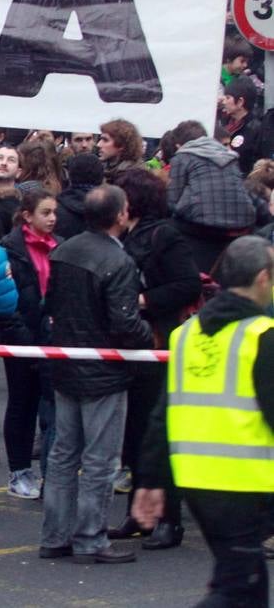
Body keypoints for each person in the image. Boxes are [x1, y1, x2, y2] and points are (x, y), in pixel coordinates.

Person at [132, 236, 274, 607]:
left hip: (195, 481)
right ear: (262, 279)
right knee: (236, 587)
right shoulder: (262, 336)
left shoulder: (187, 335)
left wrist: (150, 479)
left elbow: (162, 413)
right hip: (244, 482)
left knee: (250, 587)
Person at [38, 185, 153, 565]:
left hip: (66, 362)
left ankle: (55, 535)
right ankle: (90, 538)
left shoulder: (63, 251)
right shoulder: (118, 262)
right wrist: (147, 338)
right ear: (120, 215)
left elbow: (50, 302)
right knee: (101, 460)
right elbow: (123, 321)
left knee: (63, 454)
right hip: (104, 370)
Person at [113, 169, 201, 549]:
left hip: (159, 341)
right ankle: (140, 513)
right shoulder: (123, 236)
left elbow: (187, 285)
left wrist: (144, 300)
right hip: (131, 342)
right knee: (134, 433)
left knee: (158, 432)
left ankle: (169, 519)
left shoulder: (165, 234)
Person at [0, 188, 58, 501]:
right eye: (45, 213)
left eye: (53, 213)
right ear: (27, 216)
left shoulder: (57, 246)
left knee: (49, 405)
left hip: (50, 339)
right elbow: (6, 299)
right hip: (21, 340)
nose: (52, 219)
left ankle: (50, 472)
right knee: (22, 404)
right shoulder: (10, 248)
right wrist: (22, 336)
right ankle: (19, 470)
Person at [169, 123, 258, 274]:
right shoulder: (229, 156)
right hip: (242, 224)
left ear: (178, 145)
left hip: (201, 226)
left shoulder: (182, 156)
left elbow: (172, 199)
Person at [97, 119, 144, 185]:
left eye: (105, 140)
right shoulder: (102, 169)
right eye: (100, 139)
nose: (98, 144)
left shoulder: (135, 178)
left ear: (121, 145)